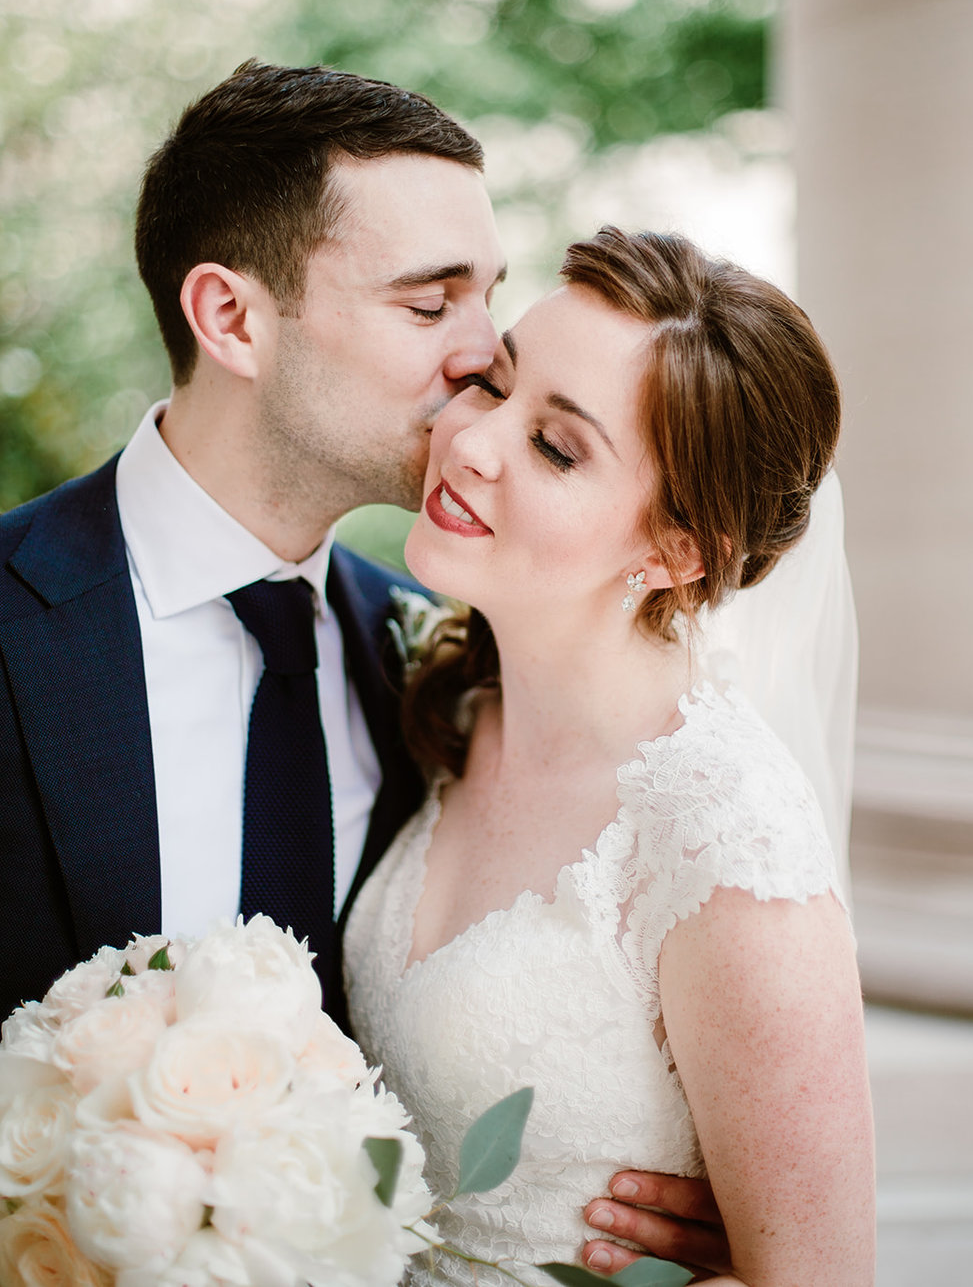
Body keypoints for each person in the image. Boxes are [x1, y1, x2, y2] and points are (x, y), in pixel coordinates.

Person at [0, 62, 852, 1279]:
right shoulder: (460, 685)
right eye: (429, 305)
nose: (475, 360)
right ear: (232, 318)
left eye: (487, 300)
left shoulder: (416, 653)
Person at [343, 227, 876, 1286]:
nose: (475, 443)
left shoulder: (723, 832)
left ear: (675, 551)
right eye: (495, 383)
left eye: (555, 446)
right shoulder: (439, 705)